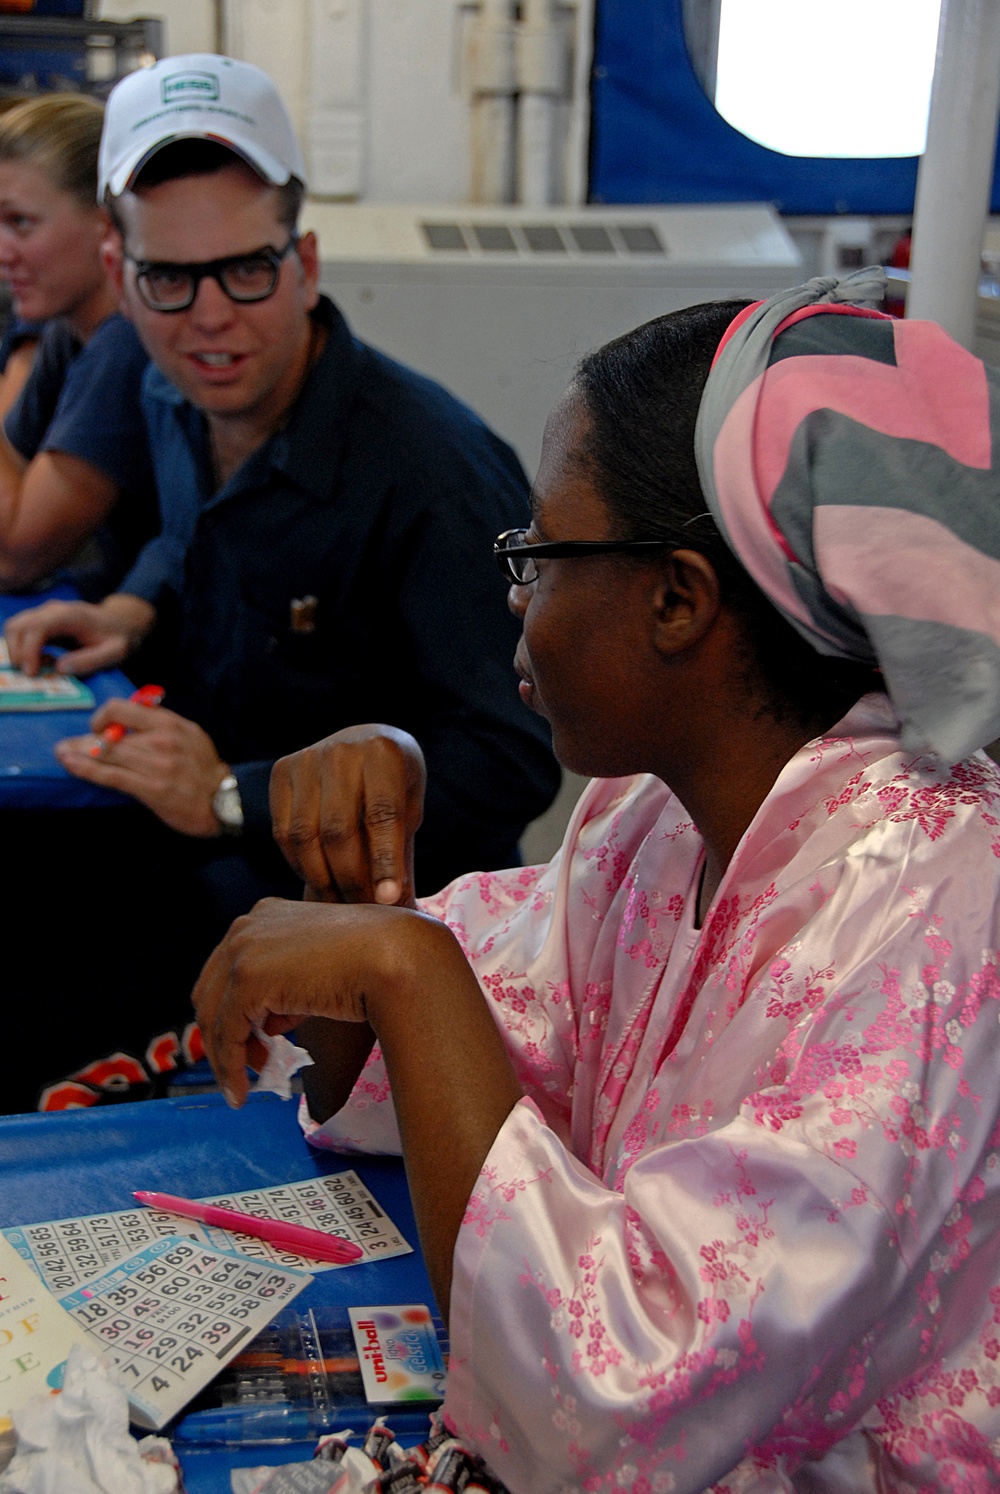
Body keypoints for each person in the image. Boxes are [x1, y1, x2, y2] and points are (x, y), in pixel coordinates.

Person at [193, 269, 1000, 1492]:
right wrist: (366, 912)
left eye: (541, 553)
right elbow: (516, 1035)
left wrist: (401, 969)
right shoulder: (657, 817)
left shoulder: (930, 915)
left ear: (677, 598)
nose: (515, 604)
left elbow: (624, 1401)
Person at [1, 56, 557, 1111]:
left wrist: (226, 796)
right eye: (170, 279)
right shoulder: (178, 403)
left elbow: (511, 759)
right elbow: (198, 539)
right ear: (120, 277)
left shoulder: (429, 472)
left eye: (245, 270)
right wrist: (137, 606)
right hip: (203, 863)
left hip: (376, 942)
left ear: (302, 262)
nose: (210, 318)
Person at [0, 92, 156, 596]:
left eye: (20, 222)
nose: (2, 253)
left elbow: (13, 556)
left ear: (104, 224)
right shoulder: (72, 335)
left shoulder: (128, 343)